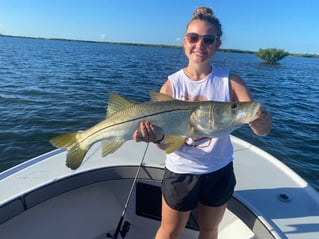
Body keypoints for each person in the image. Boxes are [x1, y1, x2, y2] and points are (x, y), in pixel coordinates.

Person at [133, 6, 272, 239]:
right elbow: (165, 145)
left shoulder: (231, 82)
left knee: (209, 229)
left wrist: (260, 117)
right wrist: (156, 137)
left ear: (217, 44)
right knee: (169, 230)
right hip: (180, 171)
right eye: (193, 38)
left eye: (208, 39)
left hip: (219, 170)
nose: (200, 45)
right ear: (184, 42)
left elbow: (262, 130)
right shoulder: (171, 86)